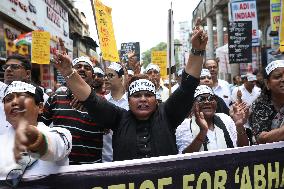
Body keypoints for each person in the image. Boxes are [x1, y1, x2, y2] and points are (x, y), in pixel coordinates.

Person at [52, 18, 208, 161]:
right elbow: (90, 99)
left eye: (148, 95)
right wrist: (68, 72)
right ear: (128, 100)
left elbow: (188, 87)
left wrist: (197, 51)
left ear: (156, 99)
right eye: (137, 95)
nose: (143, 99)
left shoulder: (167, 115)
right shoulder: (118, 119)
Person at [0, 81, 71, 185]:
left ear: (40, 107)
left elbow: (56, 146)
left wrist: (35, 138)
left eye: (22, 97)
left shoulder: (60, 134)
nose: (14, 102)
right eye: (8, 99)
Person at [41, 56, 105, 165]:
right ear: (71, 71)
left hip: (90, 170)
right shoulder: (55, 97)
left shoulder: (101, 102)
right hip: (59, 169)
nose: (82, 69)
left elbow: (108, 128)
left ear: (93, 77)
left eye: (87, 68)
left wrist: (89, 102)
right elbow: (41, 126)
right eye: (78, 66)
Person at [175, 85, 249, 154]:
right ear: (193, 104)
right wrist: (202, 132)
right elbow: (184, 158)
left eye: (211, 98)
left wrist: (239, 126)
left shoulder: (225, 119)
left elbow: (244, 150)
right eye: (201, 99)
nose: (207, 102)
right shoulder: (185, 126)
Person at [250, 60, 284, 144]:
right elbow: (261, 138)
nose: (283, 79)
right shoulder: (259, 105)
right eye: (277, 76)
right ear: (267, 83)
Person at [103, 62, 129, 162]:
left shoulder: (131, 101)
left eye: (111, 75)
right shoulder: (102, 101)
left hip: (126, 159)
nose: (106, 78)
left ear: (121, 78)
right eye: (105, 75)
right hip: (105, 158)